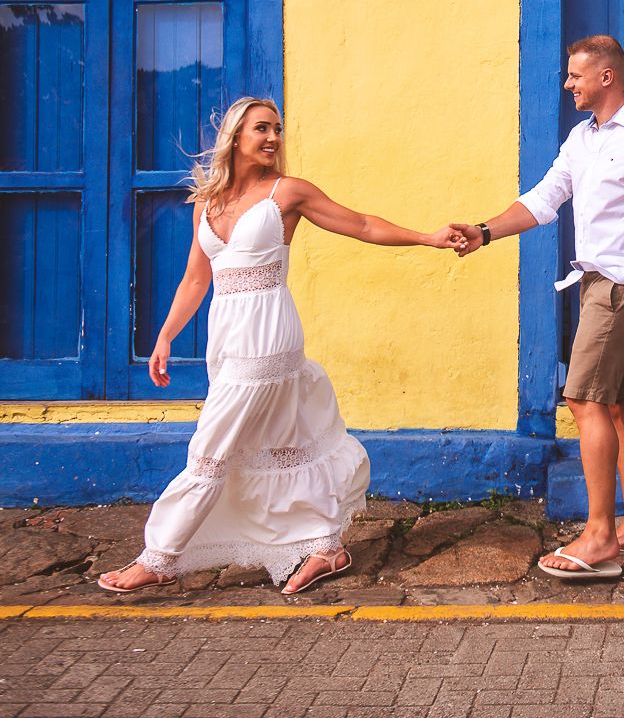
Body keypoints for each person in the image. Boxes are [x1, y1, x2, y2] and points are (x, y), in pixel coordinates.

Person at [97, 96, 455, 595]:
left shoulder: (287, 193)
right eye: (261, 128)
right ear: (235, 137)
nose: (272, 138)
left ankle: (160, 556)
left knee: (210, 448)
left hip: (268, 334)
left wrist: (427, 238)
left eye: (278, 129)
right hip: (226, 338)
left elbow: (361, 224)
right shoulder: (207, 201)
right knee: (281, 445)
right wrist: (164, 336)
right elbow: (195, 279)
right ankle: (327, 549)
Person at [447, 35, 624, 580]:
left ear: (606, 77)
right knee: (621, 404)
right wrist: (485, 231)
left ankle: (600, 535)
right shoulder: (582, 139)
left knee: (583, 399)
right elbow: (543, 199)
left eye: (575, 76)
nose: (568, 85)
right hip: (596, 284)